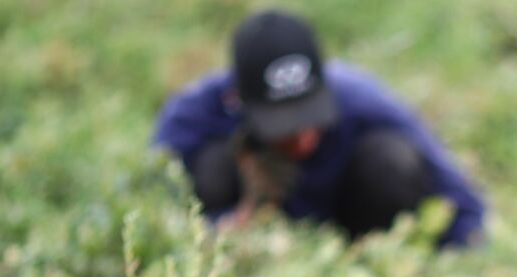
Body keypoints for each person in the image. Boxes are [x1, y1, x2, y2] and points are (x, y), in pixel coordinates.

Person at [153, 9, 485, 247]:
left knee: (392, 158)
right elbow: (149, 205)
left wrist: (460, 250)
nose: (303, 138)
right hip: (254, 233)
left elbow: (461, 199)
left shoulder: (360, 97)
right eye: (282, 123)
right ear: (238, 98)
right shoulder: (197, 113)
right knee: (212, 164)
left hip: (352, 226)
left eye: (309, 116)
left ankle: (367, 250)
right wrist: (227, 223)